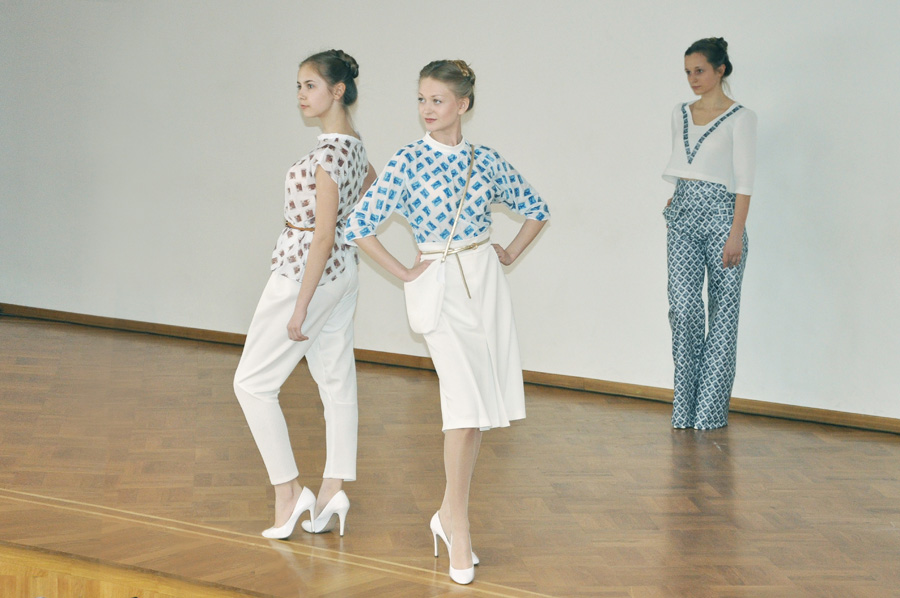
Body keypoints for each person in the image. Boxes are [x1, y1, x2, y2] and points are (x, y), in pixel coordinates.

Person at [346, 59, 549, 585]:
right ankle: (459, 527)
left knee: (475, 413)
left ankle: (446, 513)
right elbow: (360, 225)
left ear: (463, 104)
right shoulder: (407, 160)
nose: (426, 109)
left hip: (484, 284)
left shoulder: (486, 160)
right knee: (461, 407)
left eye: (437, 100)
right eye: (421, 99)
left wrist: (508, 253)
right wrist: (405, 272)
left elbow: (537, 207)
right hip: (438, 287)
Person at [233, 49, 375, 539]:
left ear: (337, 90)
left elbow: (321, 235)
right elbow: (372, 189)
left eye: (310, 85)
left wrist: (300, 306)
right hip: (343, 273)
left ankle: (289, 493)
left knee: (252, 384)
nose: (301, 94)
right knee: (336, 381)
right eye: (298, 85)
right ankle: (333, 488)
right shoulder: (352, 145)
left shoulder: (330, 154)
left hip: (304, 274)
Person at [662, 38, 757, 430]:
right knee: (683, 310)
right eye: (688, 72)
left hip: (723, 218)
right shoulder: (680, 112)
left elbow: (744, 181)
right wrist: (676, 197)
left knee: (722, 315)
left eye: (699, 70)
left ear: (720, 70)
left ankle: (709, 413)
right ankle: (685, 409)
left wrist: (736, 232)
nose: (693, 79)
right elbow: (686, 162)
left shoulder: (741, 117)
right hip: (682, 217)